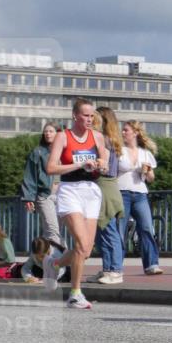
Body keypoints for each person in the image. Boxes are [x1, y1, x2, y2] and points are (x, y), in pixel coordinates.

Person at [43, 97, 109, 309]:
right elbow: (51, 168)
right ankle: (75, 294)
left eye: (92, 116)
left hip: (91, 191)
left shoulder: (98, 137)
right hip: (70, 190)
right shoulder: (63, 137)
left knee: (86, 250)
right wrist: (79, 163)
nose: (89, 119)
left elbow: (105, 163)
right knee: (81, 244)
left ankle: (53, 263)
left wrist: (100, 165)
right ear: (75, 115)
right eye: (85, 115)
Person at [117, 120, 164, 276]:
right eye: (122, 130)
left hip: (140, 194)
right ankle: (116, 266)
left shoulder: (145, 153)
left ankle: (151, 264)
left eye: (126, 130)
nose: (123, 133)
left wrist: (147, 170)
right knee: (120, 231)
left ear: (135, 133)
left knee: (146, 228)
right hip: (121, 192)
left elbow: (151, 178)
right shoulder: (118, 150)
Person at [93, 107, 126, 284]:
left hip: (105, 185)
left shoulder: (104, 140)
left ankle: (115, 270)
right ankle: (108, 269)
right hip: (107, 185)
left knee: (108, 230)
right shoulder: (112, 140)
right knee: (103, 231)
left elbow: (103, 167)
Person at [20, 123, 62, 246]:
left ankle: (35, 262)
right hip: (45, 195)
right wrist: (28, 198)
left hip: (63, 195)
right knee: (53, 231)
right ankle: (57, 263)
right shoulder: (38, 152)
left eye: (51, 131)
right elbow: (30, 176)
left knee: (51, 232)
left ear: (58, 133)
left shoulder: (65, 151)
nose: (48, 134)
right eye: (46, 131)